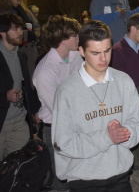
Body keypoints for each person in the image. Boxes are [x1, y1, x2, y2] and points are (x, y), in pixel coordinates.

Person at [51, 21, 139, 191]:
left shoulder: (124, 81)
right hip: (83, 180)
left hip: (120, 175)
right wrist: (107, 137)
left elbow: (138, 123)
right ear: (81, 51)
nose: (103, 59)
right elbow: (63, 143)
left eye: (107, 50)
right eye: (95, 53)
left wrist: (125, 133)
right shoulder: (67, 90)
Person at [32, 16, 83, 190]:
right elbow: (59, 109)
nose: (78, 38)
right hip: (56, 129)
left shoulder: (76, 56)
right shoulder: (45, 71)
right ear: (63, 40)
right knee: (60, 181)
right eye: (75, 35)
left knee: (77, 176)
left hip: (77, 125)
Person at [0, 14, 39, 159]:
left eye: (20, 28)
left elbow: (27, 87)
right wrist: (5, 96)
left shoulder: (21, 55)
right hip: (2, 123)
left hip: (18, 122)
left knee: (18, 170)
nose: (20, 32)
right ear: (2, 32)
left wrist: (35, 111)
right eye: (15, 29)